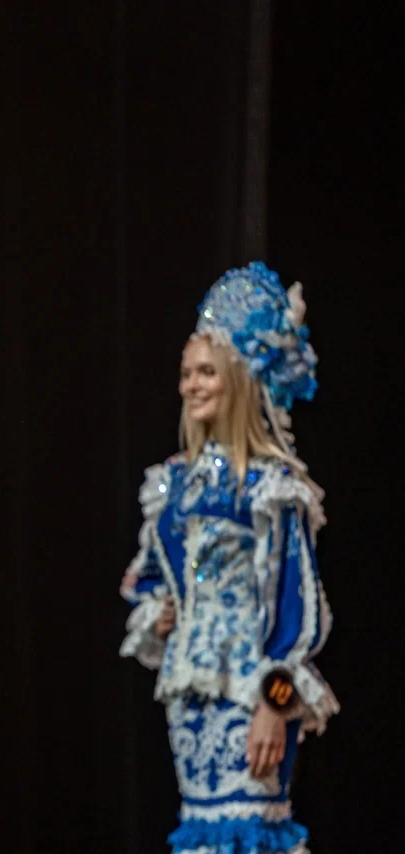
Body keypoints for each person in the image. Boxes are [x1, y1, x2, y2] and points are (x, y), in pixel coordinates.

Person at [120, 262, 337, 853]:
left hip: (254, 697)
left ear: (238, 380)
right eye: (186, 372)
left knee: (253, 832)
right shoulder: (171, 485)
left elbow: (299, 615)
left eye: (207, 371)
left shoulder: (271, 486)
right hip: (190, 702)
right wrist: (161, 613)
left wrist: (276, 704)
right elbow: (148, 578)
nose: (192, 384)